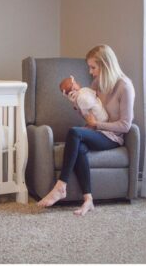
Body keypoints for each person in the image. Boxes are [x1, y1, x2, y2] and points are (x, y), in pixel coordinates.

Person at [37, 44, 135, 216]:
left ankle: (60, 186)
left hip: (112, 136)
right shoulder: (97, 83)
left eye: (93, 67)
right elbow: (90, 115)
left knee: (74, 132)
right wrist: (76, 103)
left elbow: (125, 126)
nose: (90, 72)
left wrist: (97, 125)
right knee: (79, 147)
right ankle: (88, 199)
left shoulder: (124, 87)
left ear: (106, 65)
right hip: (97, 131)